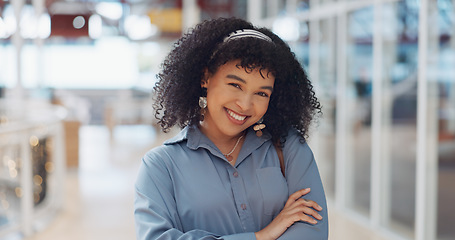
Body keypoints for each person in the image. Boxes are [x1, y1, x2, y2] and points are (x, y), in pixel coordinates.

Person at [134, 17, 328, 240]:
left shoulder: (288, 146)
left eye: (261, 93)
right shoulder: (161, 166)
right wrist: (261, 236)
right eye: (235, 85)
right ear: (205, 78)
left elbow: (312, 230)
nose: (245, 105)